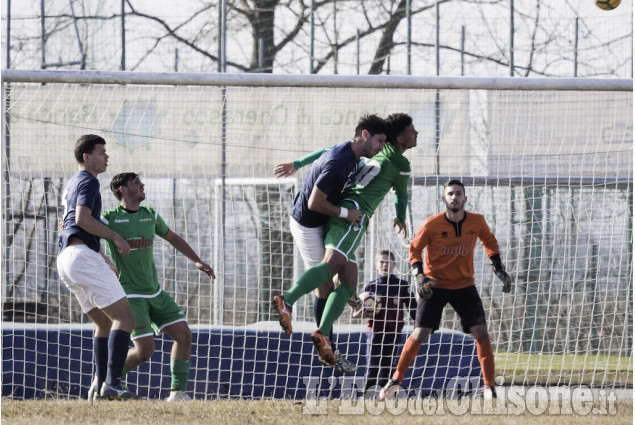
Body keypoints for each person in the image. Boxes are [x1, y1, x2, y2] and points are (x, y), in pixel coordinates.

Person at [273, 112, 417, 367]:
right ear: (400, 137)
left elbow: (326, 149)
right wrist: (400, 217)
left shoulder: (366, 151)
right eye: (412, 129)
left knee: (349, 278)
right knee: (328, 274)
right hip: (348, 216)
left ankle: (324, 333)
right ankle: (289, 301)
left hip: (336, 211)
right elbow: (401, 195)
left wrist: (297, 162)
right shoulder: (400, 164)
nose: (417, 134)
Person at [378, 179, 512, 401]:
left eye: (459, 193)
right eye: (450, 193)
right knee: (420, 333)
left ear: (465, 198)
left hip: (464, 285)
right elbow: (414, 250)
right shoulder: (432, 224)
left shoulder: (477, 222)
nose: (454, 197)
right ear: (444, 199)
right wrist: (419, 276)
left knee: (481, 333)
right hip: (435, 285)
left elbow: (489, 242)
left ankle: (489, 388)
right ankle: (395, 381)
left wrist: (498, 268)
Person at [99, 172, 215, 401]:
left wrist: (196, 259)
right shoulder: (108, 218)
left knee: (183, 335)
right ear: (122, 190)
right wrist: (108, 263)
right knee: (145, 351)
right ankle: (105, 383)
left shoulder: (150, 215)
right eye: (136, 183)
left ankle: (177, 393)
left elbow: (172, 237)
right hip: (130, 295)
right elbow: (86, 236)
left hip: (155, 292)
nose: (142, 185)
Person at [56, 134, 138, 400]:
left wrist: (102, 257)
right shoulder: (89, 181)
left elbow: (69, 223)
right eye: (102, 152)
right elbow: (82, 218)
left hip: (67, 258)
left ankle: (99, 383)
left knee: (104, 322)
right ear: (86, 157)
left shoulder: (71, 183)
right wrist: (115, 236)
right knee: (125, 318)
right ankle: (113, 383)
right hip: (80, 257)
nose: (107, 156)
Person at [353, 250, 416, 392]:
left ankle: (386, 397)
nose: (384, 265)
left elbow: (414, 310)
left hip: (393, 334)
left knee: (389, 369)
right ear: (376, 265)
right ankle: (367, 399)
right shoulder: (370, 288)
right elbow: (355, 313)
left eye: (388, 262)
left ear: (394, 264)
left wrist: (419, 324)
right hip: (375, 334)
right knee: (372, 369)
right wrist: (364, 311)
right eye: (381, 262)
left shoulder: (402, 286)